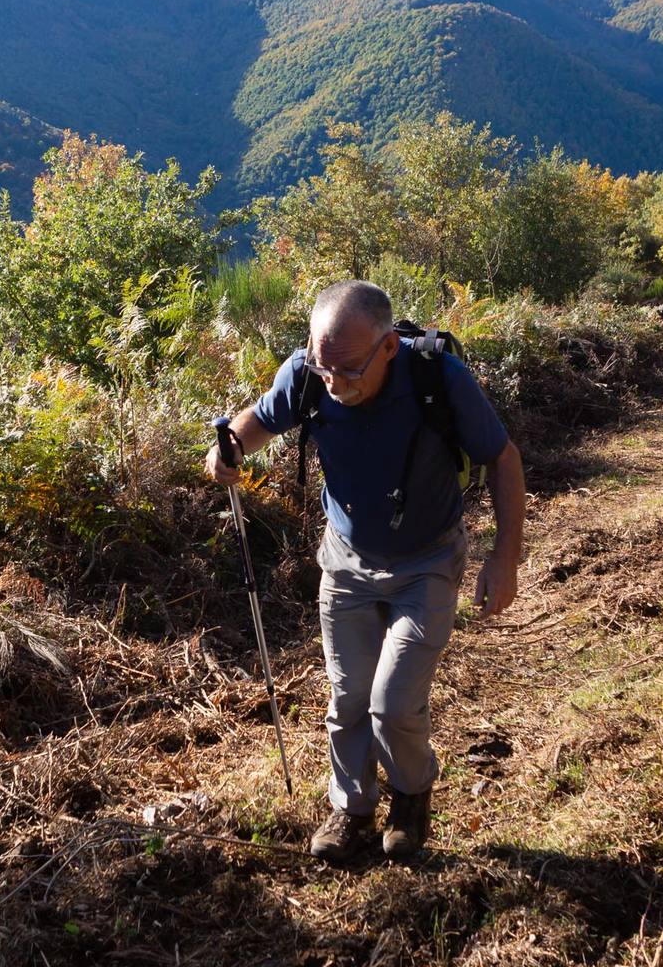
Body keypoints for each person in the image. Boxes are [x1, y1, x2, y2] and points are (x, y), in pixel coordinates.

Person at [205, 281, 525, 863]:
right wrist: (229, 449)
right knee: (349, 697)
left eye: (349, 370)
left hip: (428, 560)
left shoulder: (437, 378)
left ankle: (411, 797)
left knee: (392, 703)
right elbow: (261, 419)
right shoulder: (309, 374)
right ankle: (352, 811)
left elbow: (503, 458)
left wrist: (504, 558)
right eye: (324, 368)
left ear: (388, 348)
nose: (334, 383)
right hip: (346, 560)